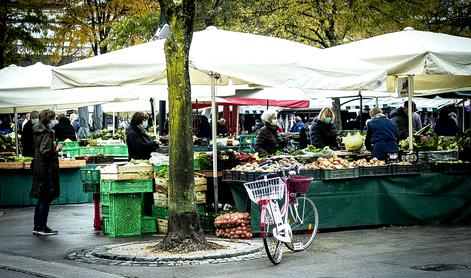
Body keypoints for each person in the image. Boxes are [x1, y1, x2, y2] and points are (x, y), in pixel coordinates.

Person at [31, 110, 61, 236]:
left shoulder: (38, 131)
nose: (55, 121)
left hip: (39, 167)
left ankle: (38, 225)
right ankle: (41, 226)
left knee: (42, 198)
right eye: (53, 118)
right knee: (45, 198)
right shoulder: (47, 134)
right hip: (46, 168)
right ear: (48, 120)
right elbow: (45, 151)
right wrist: (56, 150)